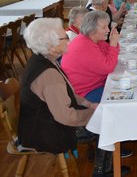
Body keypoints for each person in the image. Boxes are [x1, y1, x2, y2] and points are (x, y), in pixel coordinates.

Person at [18, 18, 130, 177]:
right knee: (107, 120)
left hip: (44, 122)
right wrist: (94, 114)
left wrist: (89, 104)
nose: (69, 40)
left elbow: (68, 92)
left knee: (106, 113)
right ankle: (101, 172)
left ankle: (107, 166)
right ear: (51, 45)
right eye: (65, 37)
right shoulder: (48, 74)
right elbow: (66, 116)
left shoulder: (44, 59)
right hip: (46, 132)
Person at [61, 11, 119, 103]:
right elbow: (108, 67)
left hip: (96, 84)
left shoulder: (94, 40)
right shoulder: (84, 46)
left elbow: (110, 53)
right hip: (84, 93)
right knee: (123, 93)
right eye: (104, 27)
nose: (108, 30)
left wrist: (113, 43)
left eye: (107, 26)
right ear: (92, 29)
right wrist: (113, 44)